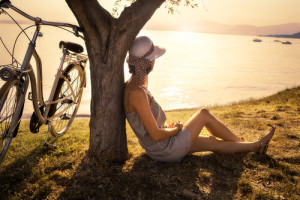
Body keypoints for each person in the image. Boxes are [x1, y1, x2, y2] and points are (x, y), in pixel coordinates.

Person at [124, 36, 275, 163]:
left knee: (212, 142)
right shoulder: (137, 92)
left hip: (162, 145)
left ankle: (254, 146)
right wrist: (176, 129)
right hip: (164, 149)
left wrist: (169, 129)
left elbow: (152, 128)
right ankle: (247, 144)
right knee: (203, 114)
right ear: (148, 62)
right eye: (153, 58)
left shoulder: (135, 84)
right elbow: (156, 135)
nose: (155, 61)